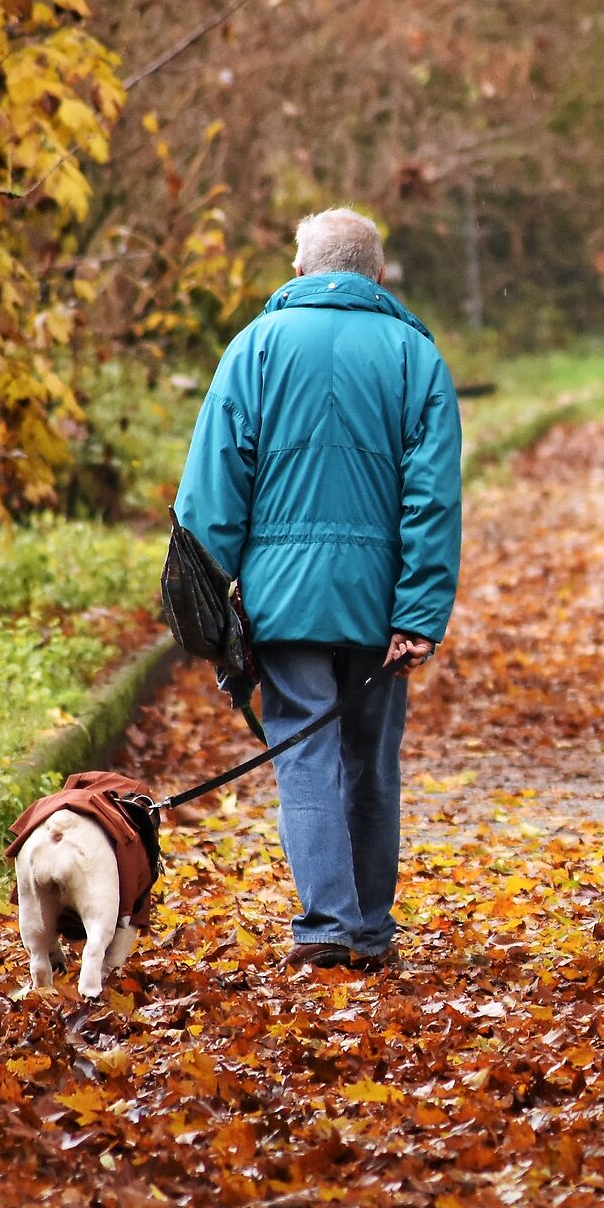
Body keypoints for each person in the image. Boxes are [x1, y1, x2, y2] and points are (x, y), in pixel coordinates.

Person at [175, 207, 462, 971]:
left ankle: (327, 925)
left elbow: (212, 490)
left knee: (304, 752)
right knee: (371, 757)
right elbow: (432, 498)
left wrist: (213, 596)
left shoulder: (254, 348)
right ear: (374, 275)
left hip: (284, 599)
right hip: (379, 605)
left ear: (302, 270)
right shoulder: (415, 357)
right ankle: (370, 928)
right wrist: (420, 612)